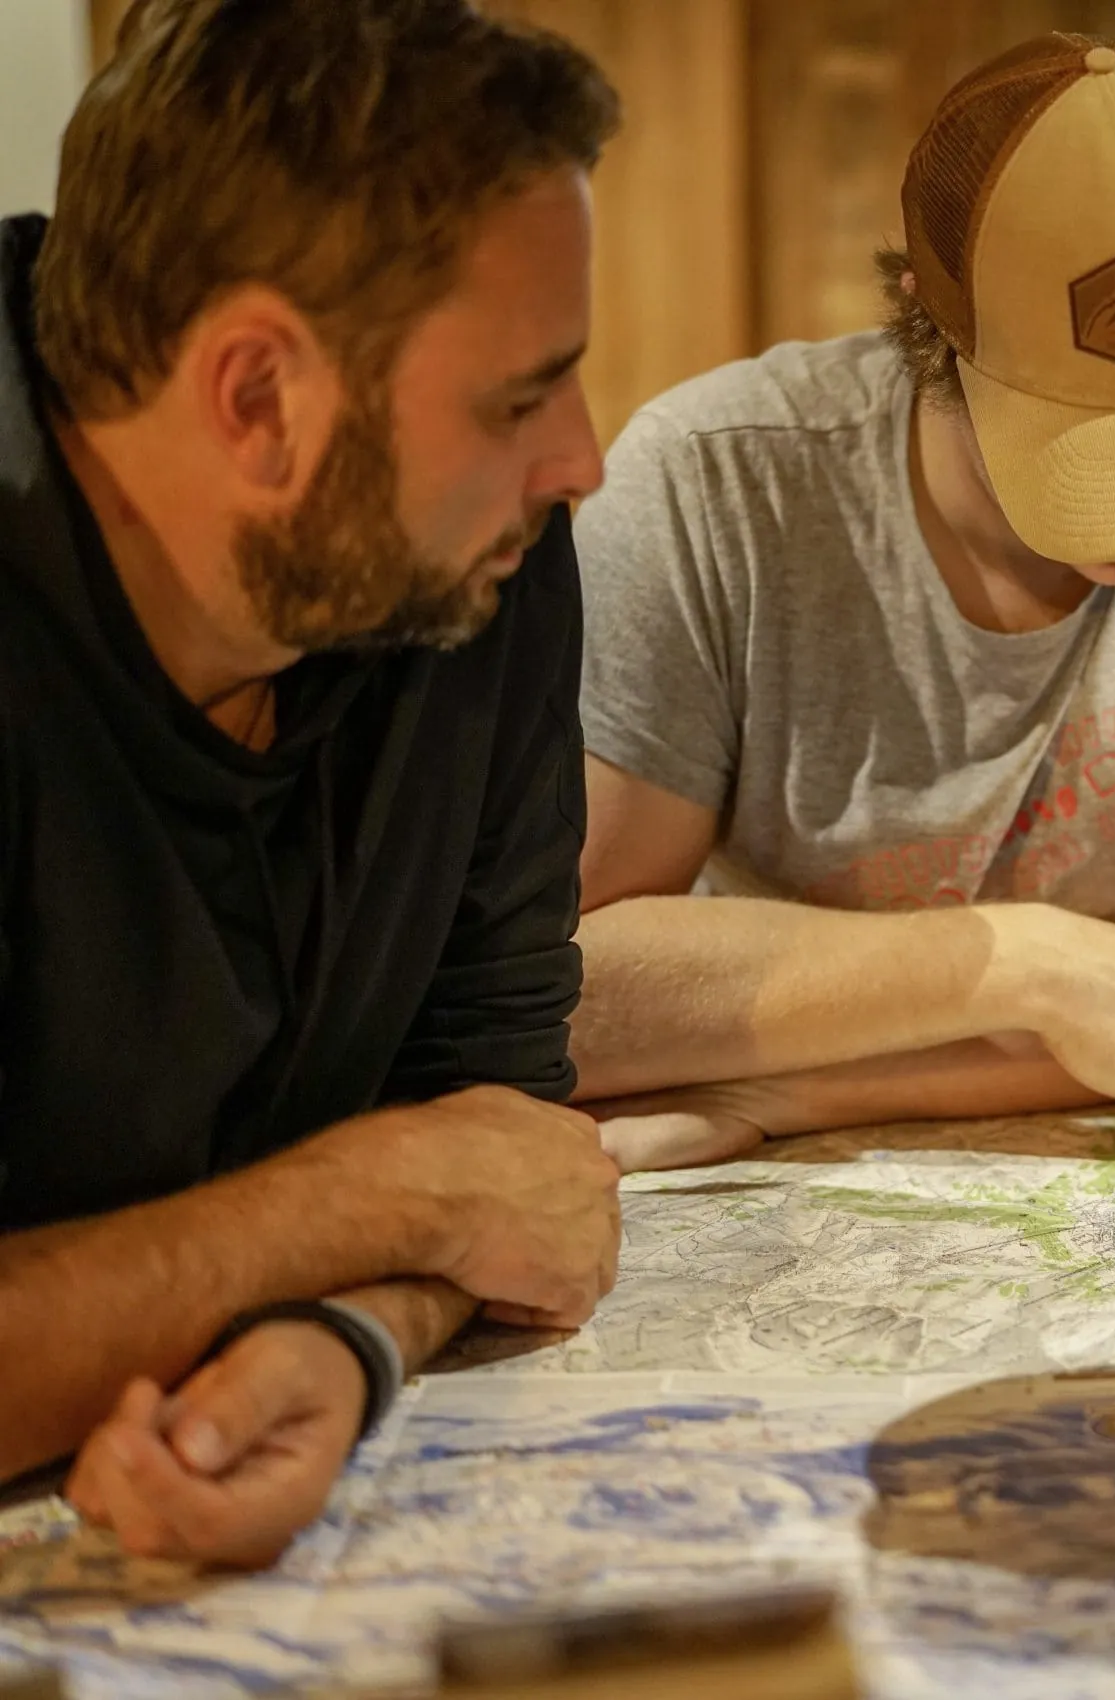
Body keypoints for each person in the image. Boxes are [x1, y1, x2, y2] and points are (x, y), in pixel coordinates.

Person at [570, 36, 1115, 1169]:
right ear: (924, 321)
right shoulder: (710, 484)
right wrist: (1023, 961)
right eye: (1086, 433)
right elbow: (557, 989)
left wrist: (771, 1084)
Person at [0, 0, 626, 1566]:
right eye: (517, 396)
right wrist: (364, 1202)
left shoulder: (468, 561)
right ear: (259, 398)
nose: (583, 459)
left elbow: (495, 1152)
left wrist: (343, 1340)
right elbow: (430, 1172)